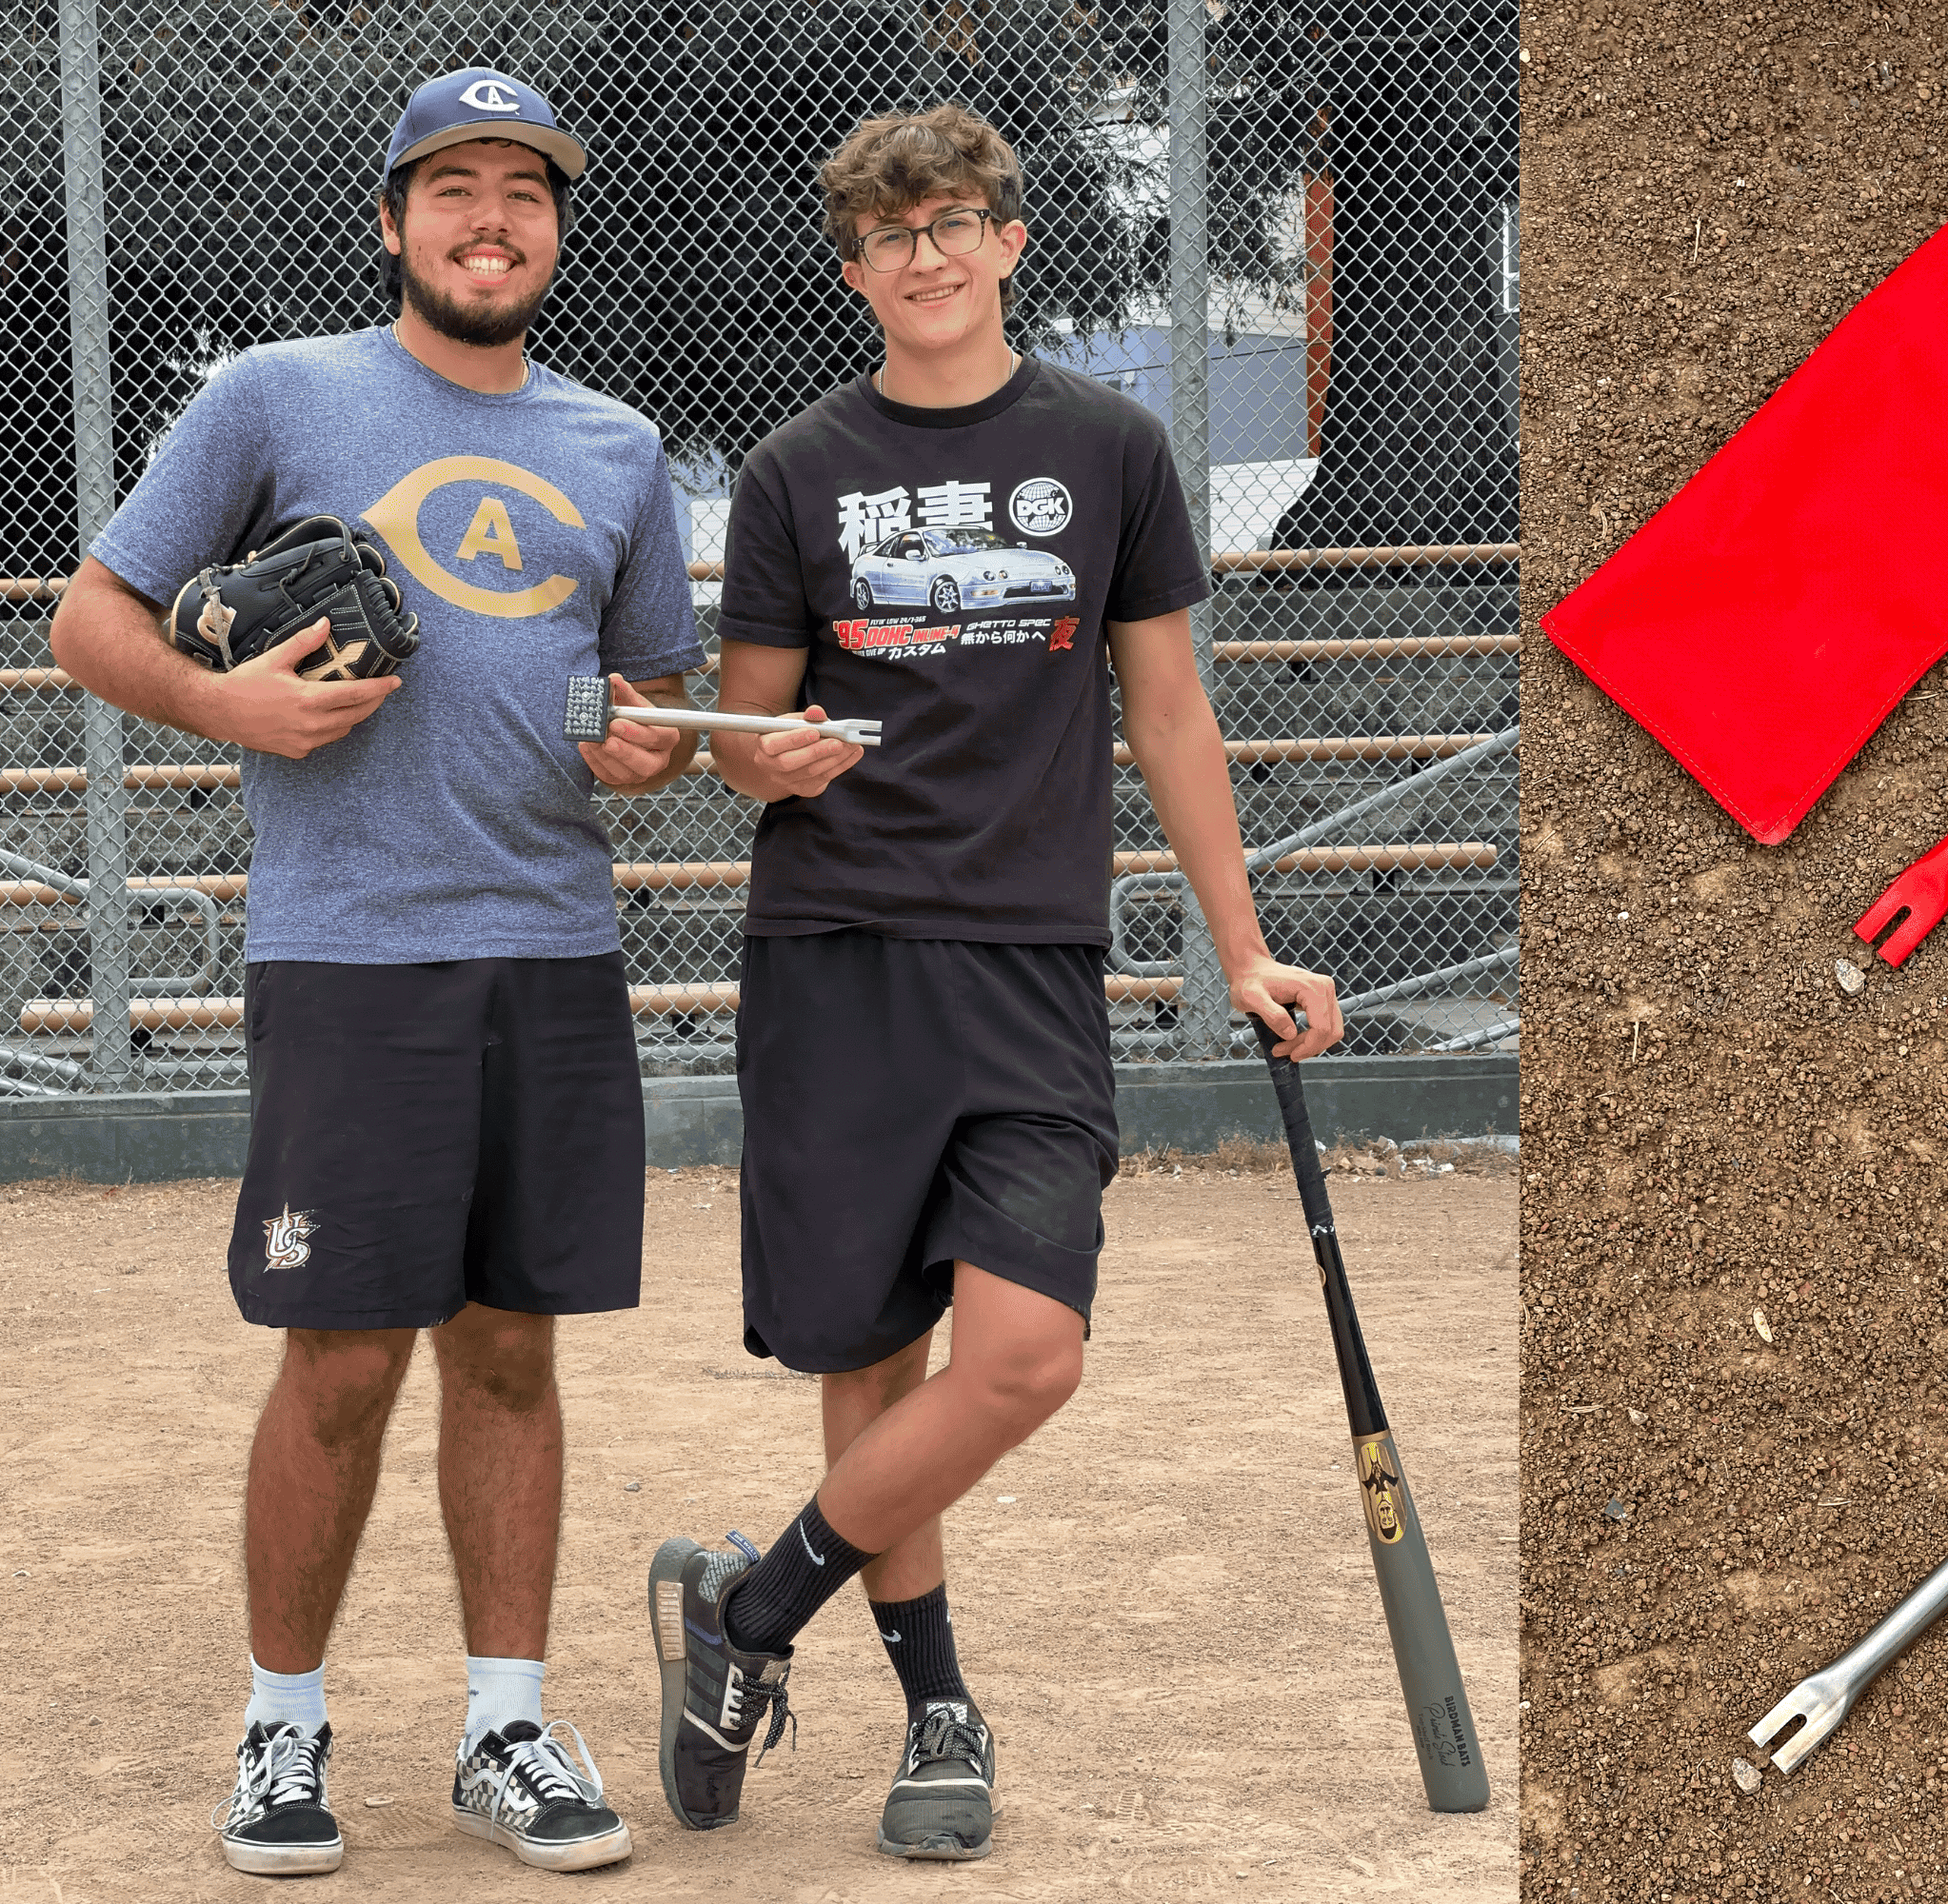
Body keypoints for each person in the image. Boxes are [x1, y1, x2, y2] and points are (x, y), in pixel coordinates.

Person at [646, 101, 1345, 1863]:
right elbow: (742, 732)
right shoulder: (798, 468)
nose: (928, 257)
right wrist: (768, 760)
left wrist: (1242, 943)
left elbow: (1168, 710)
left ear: (1010, 240)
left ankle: (747, 1610)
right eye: (891, 236)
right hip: (837, 954)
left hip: (1032, 961)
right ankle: (936, 1709)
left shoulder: (1108, 449)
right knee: (874, 1353)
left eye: (954, 222)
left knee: (1026, 1354)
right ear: (856, 268)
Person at [46, 67, 705, 1879]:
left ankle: (506, 1725)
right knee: (341, 1357)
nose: (492, 221)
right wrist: (223, 702)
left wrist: (645, 747)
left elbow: (647, 703)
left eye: (525, 193)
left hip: (550, 946)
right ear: (398, 218)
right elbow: (93, 616)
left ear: (555, 229)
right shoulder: (278, 395)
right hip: (352, 951)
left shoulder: (617, 448)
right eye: (456, 189)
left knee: (509, 1350)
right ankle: (283, 1727)